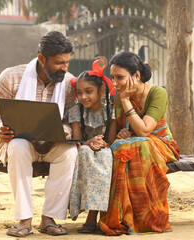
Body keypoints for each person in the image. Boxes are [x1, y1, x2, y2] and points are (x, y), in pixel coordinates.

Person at [0, 30, 78, 237]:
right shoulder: (10, 77)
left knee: (70, 152)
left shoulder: (70, 84)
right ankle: (24, 220)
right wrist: (0, 131)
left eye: (67, 62)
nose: (64, 68)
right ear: (42, 59)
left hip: (53, 145)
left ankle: (49, 219)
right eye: (59, 63)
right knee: (18, 147)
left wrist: (62, 131)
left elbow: (73, 122)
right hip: (17, 142)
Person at [98, 51, 180, 235]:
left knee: (137, 145)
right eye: (113, 78)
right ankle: (125, 217)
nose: (115, 83)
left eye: (120, 77)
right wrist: (122, 132)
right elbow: (112, 140)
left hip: (161, 145)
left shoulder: (157, 93)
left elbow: (145, 130)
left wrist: (126, 100)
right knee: (122, 146)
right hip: (133, 144)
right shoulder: (117, 98)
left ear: (136, 76)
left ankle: (149, 217)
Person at [67, 58, 117, 234]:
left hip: (105, 149)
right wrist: (90, 143)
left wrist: (101, 144)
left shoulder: (111, 110)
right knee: (86, 153)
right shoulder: (76, 111)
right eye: (79, 93)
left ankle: (100, 214)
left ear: (101, 90)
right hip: (85, 149)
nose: (83, 97)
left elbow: (110, 141)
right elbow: (78, 141)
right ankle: (92, 214)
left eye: (88, 91)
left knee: (105, 155)